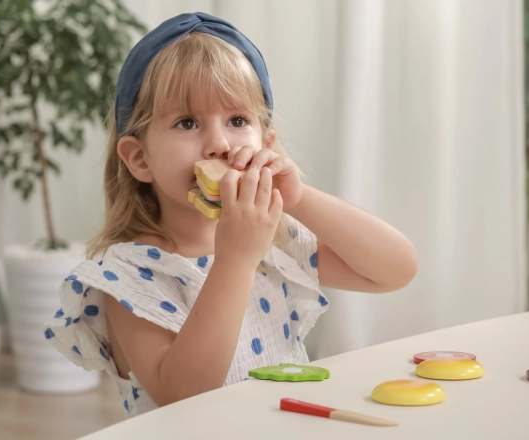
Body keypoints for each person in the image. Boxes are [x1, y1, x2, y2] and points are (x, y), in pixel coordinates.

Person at [43, 12, 417, 417]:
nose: (219, 143)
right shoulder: (129, 273)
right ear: (140, 158)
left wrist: (300, 198)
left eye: (238, 120)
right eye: (187, 122)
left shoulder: (276, 240)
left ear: (267, 142)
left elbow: (396, 269)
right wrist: (236, 260)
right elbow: (182, 393)